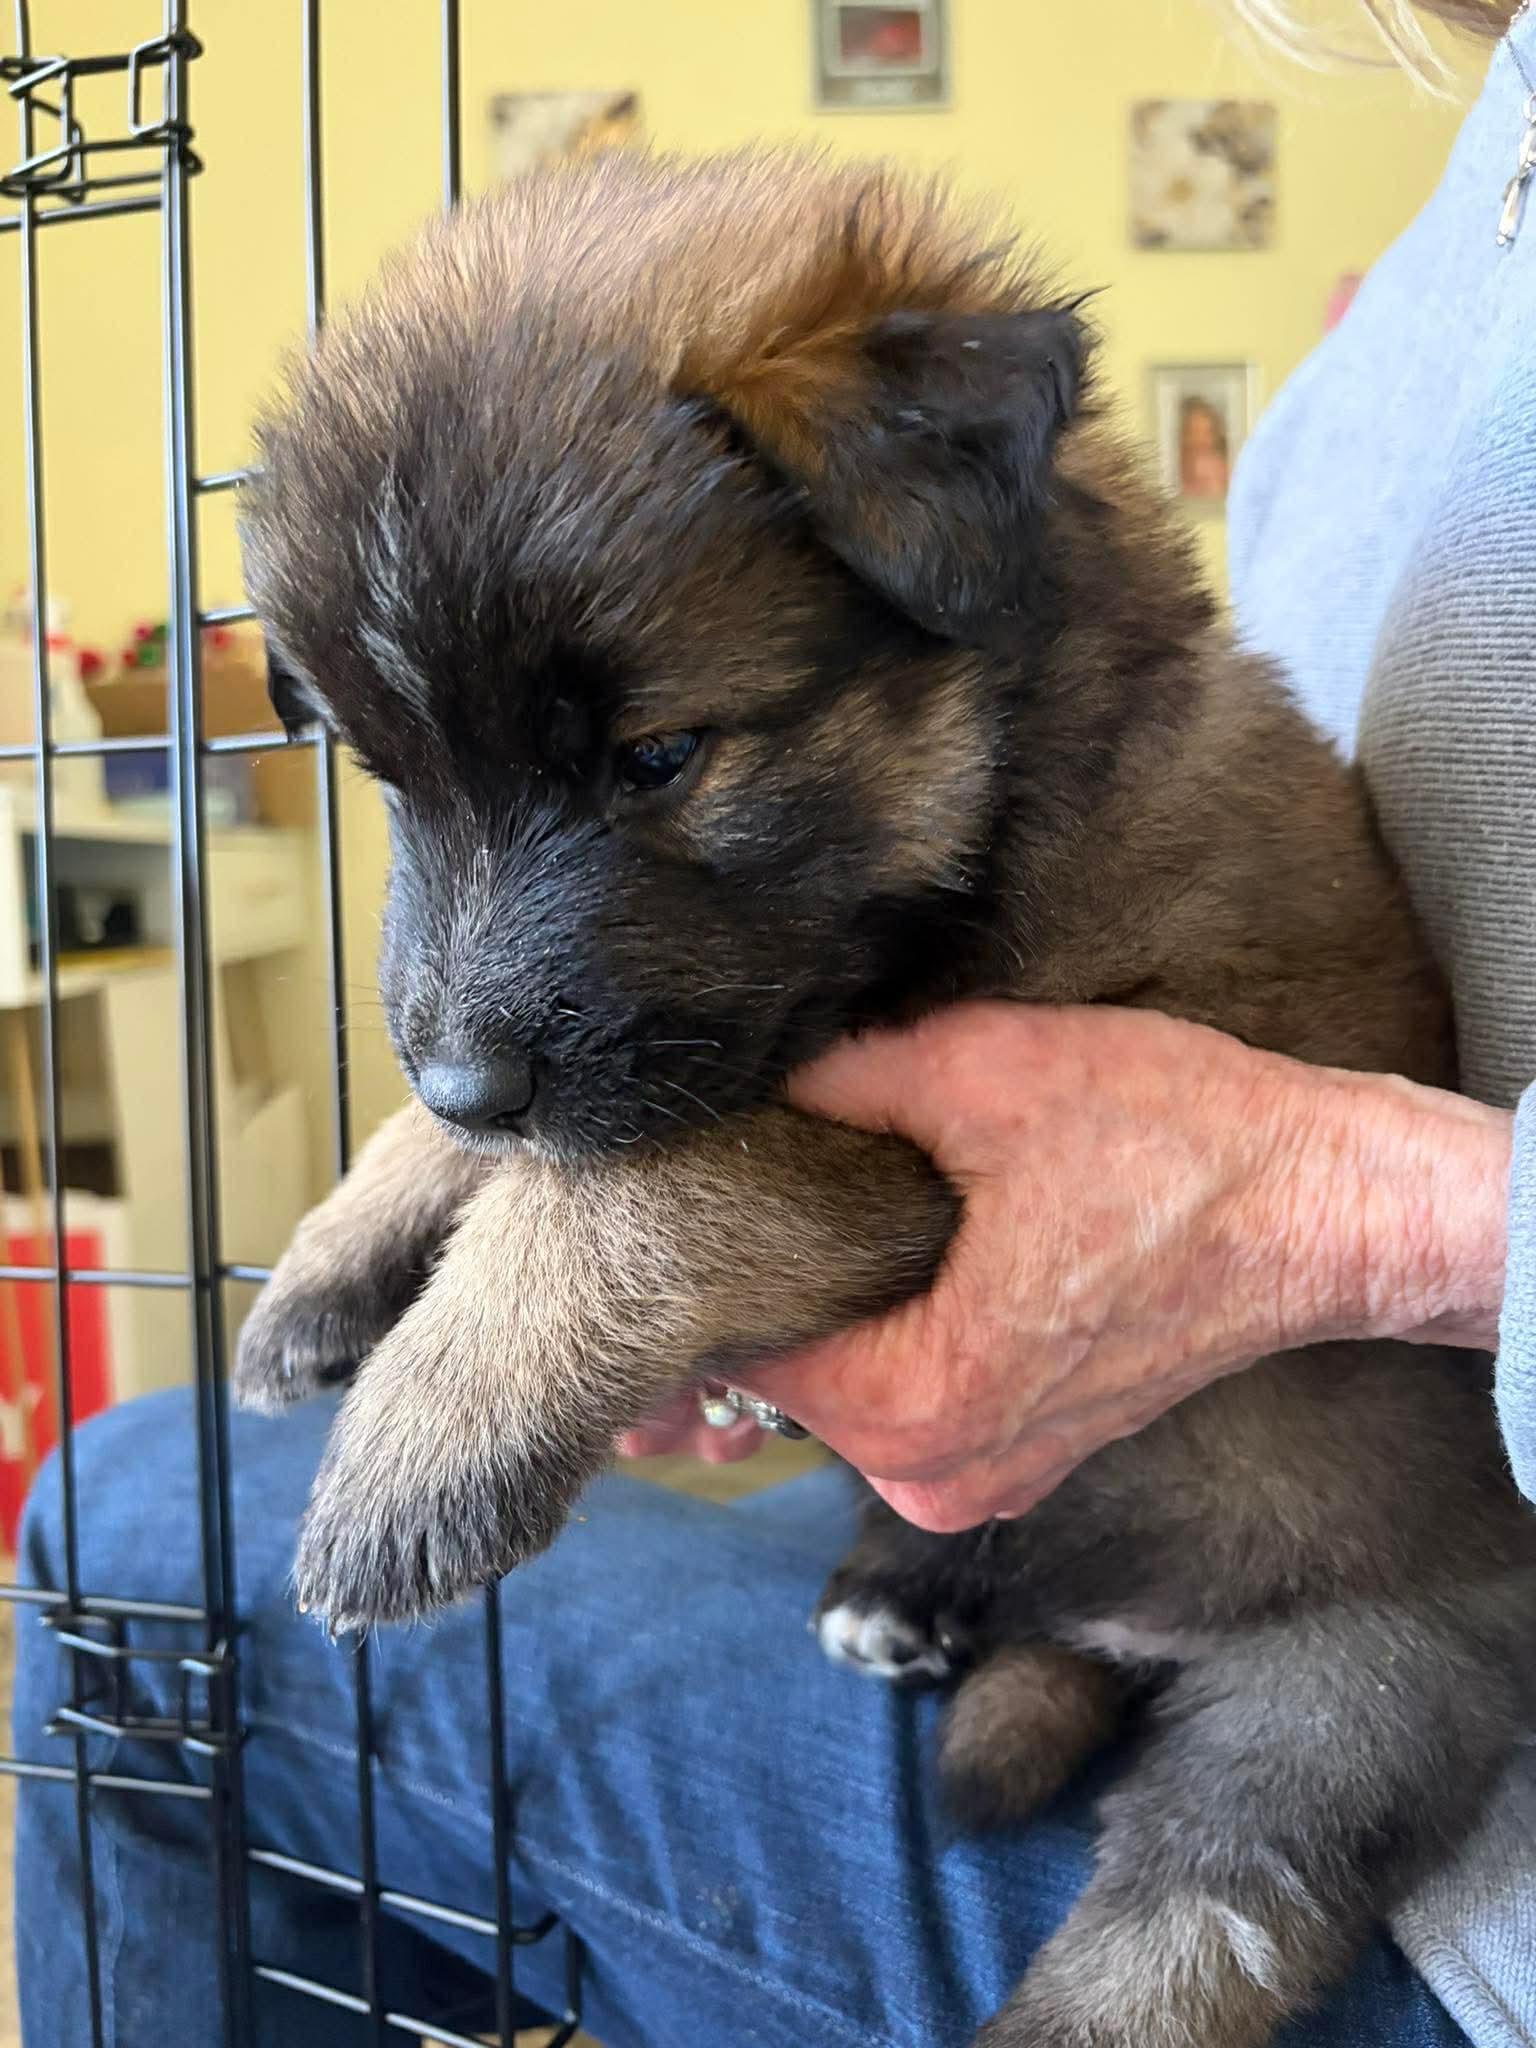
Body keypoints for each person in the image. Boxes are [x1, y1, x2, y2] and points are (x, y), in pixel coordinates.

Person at [14, 0, 1534, 2041]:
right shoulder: (1451, 239)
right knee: (173, 1476)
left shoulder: (1139, 780)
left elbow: (1014, 1115)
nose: (456, 1020)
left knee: (144, 1552)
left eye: (652, 761)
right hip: (1055, 1550)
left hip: (1404, 1702)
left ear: (957, 531)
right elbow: (921, 1101)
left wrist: (1379, 1215)